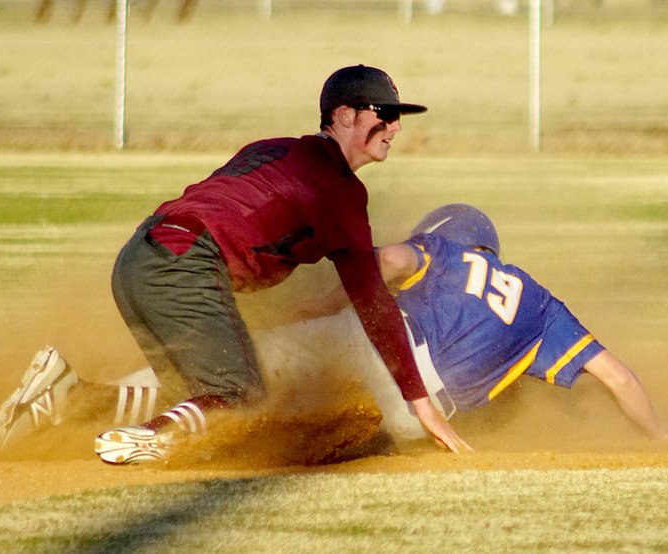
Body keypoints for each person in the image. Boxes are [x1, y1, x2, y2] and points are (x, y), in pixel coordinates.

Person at [93, 65, 470, 464]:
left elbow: (236, 221)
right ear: (345, 115)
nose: (395, 128)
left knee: (196, 399)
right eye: (385, 114)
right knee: (239, 395)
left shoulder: (272, 148)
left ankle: (67, 400)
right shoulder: (339, 190)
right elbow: (372, 301)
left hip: (138, 258)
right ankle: (147, 438)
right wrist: (420, 403)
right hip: (185, 262)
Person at [260, 204, 668, 444]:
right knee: (324, 432)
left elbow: (387, 261)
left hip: (384, 345)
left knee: (261, 357)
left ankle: (211, 414)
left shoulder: (445, 250)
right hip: (420, 415)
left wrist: (321, 305)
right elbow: (619, 379)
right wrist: (659, 435)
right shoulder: (544, 308)